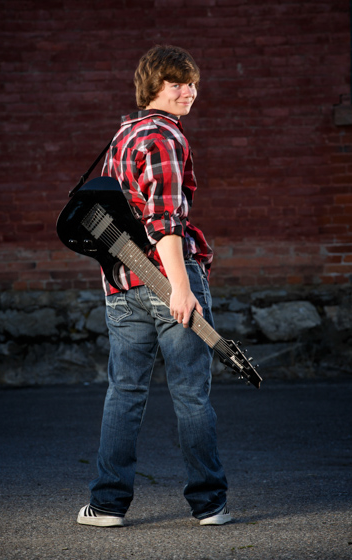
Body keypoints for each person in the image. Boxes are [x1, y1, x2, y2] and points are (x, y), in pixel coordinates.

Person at [77, 45, 230, 527]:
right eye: (175, 83)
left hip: (122, 283)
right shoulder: (163, 136)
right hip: (168, 282)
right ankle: (209, 506)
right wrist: (180, 289)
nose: (188, 91)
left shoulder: (122, 136)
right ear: (153, 88)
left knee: (124, 392)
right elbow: (165, 222)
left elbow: (109, 219)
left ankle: (106, 506)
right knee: (190, 395)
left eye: (191, 82)